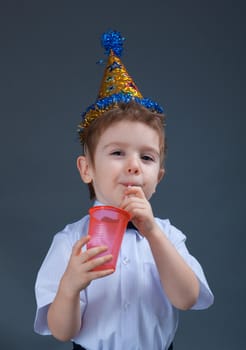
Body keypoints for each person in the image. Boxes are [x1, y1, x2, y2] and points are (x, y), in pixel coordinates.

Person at [34, 30, 214, 350]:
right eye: (118, 153)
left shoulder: (168, 236)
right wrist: (70, 287)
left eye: (146, 157)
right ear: (86, 169)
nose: (133, 165)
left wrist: (153, 234)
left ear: (157, 177)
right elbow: (62, 331)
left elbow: (186, 299)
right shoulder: (70, 242)